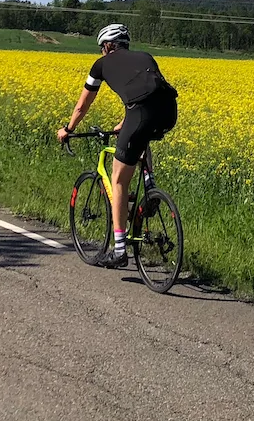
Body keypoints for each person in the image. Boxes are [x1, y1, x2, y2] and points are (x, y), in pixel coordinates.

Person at [57, 24, 179, 266]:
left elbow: (82, 105)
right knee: (142, 135)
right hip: (169, 110)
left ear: (108, 46)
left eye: (102, 48)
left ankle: (120, 251)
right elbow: (149, 92)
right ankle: (150, 185)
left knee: (119, 179)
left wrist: (68, 129)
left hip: (141, 113)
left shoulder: (100, 65)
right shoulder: (145, 56)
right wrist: (125, 122)